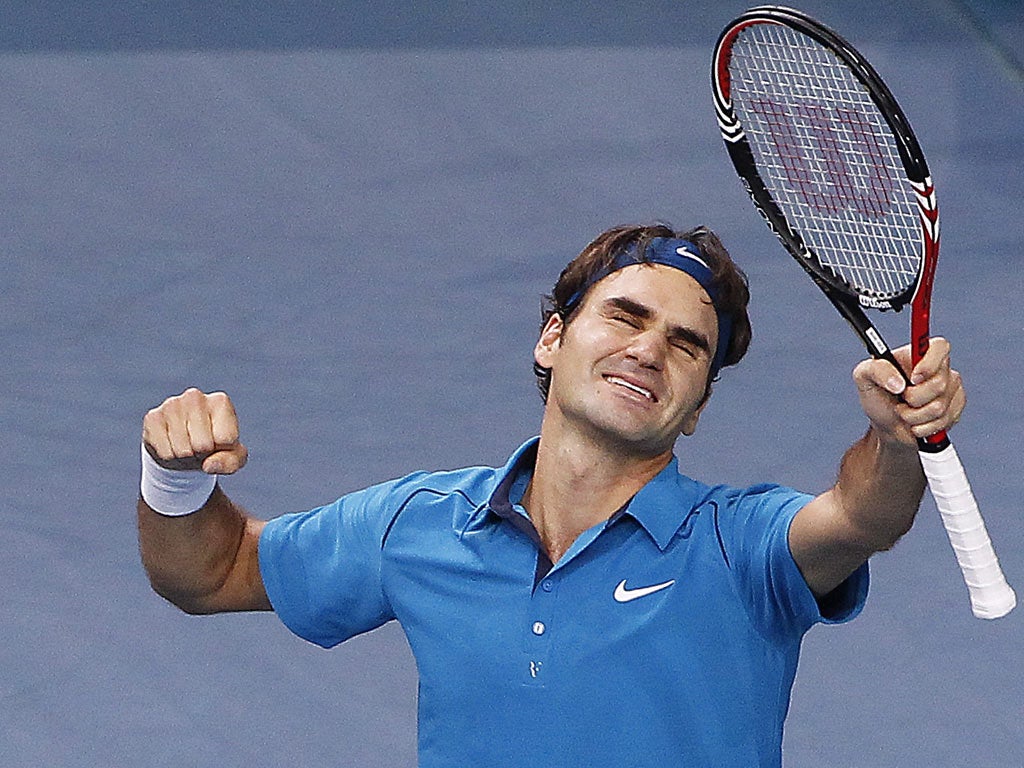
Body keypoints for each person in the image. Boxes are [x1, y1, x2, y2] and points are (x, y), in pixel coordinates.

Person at [137, 223, 964, 767]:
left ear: (700, 404)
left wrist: (895, 440)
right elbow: (210, 573)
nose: (647, 351)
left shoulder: (738, 546)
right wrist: (173, 477)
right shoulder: (418, 526)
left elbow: (862, 515)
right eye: (624, 317)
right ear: (553, 337)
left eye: (686, 346)